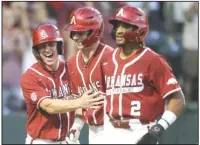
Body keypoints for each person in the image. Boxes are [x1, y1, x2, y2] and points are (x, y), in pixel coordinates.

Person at [102, 6, 185, 144]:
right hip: (109, 131)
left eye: (125, 26)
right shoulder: (107, 60)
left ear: (138, 30)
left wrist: (158, 129)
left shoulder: (152, 60)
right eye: (117, 25)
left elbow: (177, 99)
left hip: (139, 132)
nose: (119, 30)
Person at [20, 24, 104, 144]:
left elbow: (80, 102)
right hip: (41, 141)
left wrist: (76, 126)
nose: (47, 50)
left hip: (65, 140)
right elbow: (48, 106)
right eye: (42, 46)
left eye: (51, 44)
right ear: (36, 51)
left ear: (59, 47)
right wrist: (80, 102)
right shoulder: (30, 77)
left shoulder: (70, 69)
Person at [64, 7, 114, 144]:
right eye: (74, 32)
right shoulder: (73, 63)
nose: (75, 37)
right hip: (94, 130)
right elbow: (80, 101)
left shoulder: (111, 57)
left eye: (81, 32)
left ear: (94, 31)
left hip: (115, 128)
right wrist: (76, 127)